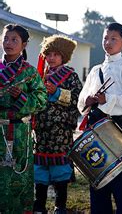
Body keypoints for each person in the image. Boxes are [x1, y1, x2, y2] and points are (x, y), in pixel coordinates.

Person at [77, 22, 122, 214]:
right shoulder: (96, 70)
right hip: (97, 126)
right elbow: (82, 99)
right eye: (106, 38)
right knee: (97, 178)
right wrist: (87, 100)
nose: (108, 42)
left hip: (120, 128)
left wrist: (108, 99)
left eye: (114, 39)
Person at [33, 35, 83, 214]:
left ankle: (59, 206)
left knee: (60, 171)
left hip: (60, 131)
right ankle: (39, 206)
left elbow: (78, 100)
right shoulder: (39, 75)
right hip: (41, 132)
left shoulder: (71, 76)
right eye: (49, 54)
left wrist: (58, 92)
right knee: (40, 171)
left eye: (56, 54)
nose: (51, 58)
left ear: (64, 56)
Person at [0, 24, 47, 213]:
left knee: (19, 178)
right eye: (5, 39)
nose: (8, 43)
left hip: (21, 133)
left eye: (14, 40)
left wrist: (21, 97)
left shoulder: (30, 73)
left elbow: (42, 101)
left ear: (24, 44)